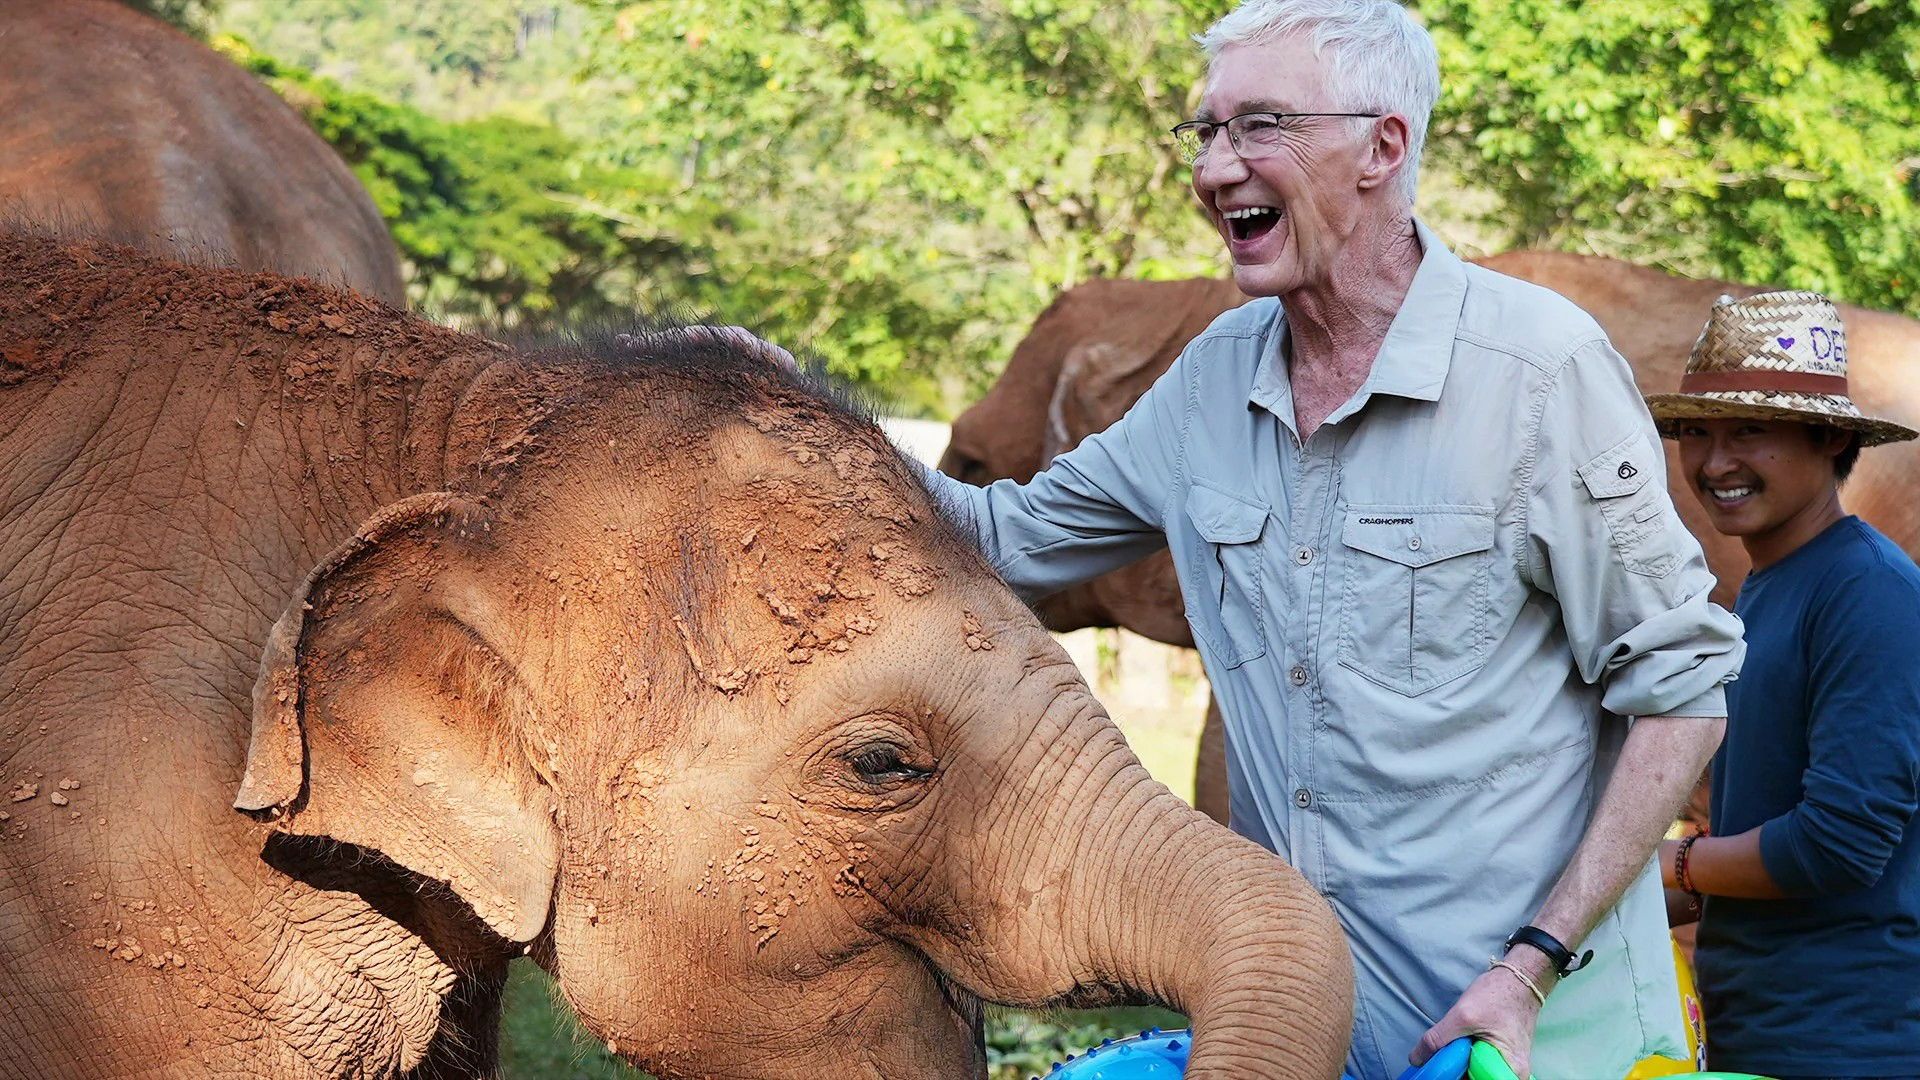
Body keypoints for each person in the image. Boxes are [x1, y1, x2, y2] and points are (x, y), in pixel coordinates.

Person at [915, 2, 1747, 1077]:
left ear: (1382, 147)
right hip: (1301, 1039)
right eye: (1207, 130)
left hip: (1528, 1041)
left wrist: (1528, 967)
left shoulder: (1541, 371)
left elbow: (1682, 696)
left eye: (1261, 125)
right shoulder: (1212, 379)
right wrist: (789, 425)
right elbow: (1001, 535)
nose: (1216, 167)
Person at [1649, 292, 1920, 1080]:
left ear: (1831, 437)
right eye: (1696, 432)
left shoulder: (1867, 593)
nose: (1714, 463)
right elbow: (1762, 832)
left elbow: (1839, 843)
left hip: (1849, 1042)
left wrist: (1674, 863)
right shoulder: (1771, 588)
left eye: (1749, 432)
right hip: (1759, 1027)